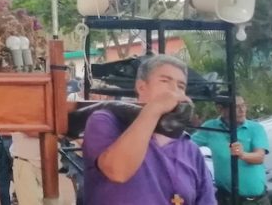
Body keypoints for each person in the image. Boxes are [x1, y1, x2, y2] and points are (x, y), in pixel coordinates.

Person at [83, 54, 215, 205]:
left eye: (181, 86)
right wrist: (154, 109)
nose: (174, 91)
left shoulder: (190, 149)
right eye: (165, 81)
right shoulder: (107, 121)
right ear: (141, 87)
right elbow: (118, 171)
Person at [191, 96, 270, 205]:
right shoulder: (210, 128)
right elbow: (186, 145)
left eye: (243, 105)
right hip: (225, 198)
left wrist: (243, 155)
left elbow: (260, 157)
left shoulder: (255, 128)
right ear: (220, 109)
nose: (242, 110)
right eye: (236, 107)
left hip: (255, 200)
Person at [9, 132, 76, 205]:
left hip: (50, 164)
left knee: (54, 202)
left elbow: (65, 132)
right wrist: (55, 134)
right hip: (25, 161)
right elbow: (28, 131)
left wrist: (57, 134)